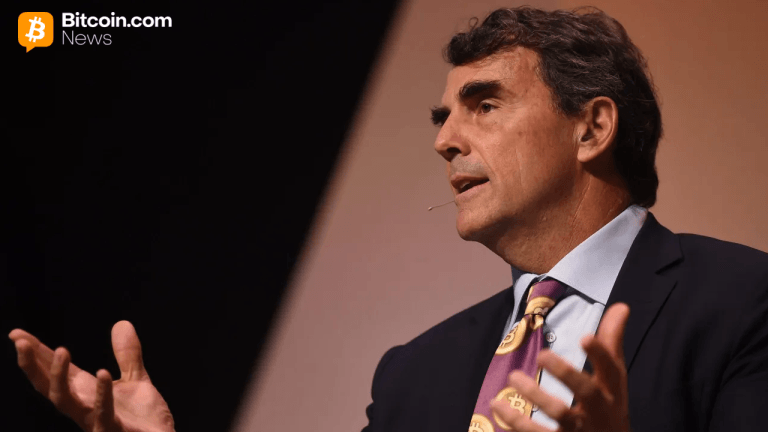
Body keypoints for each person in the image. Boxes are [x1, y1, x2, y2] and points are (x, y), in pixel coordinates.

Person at [9, 6, 768, 432]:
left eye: (485, 105)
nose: (445, 140)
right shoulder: (415, 374)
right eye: (443, 117)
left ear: (592, 128)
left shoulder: (742, 302)